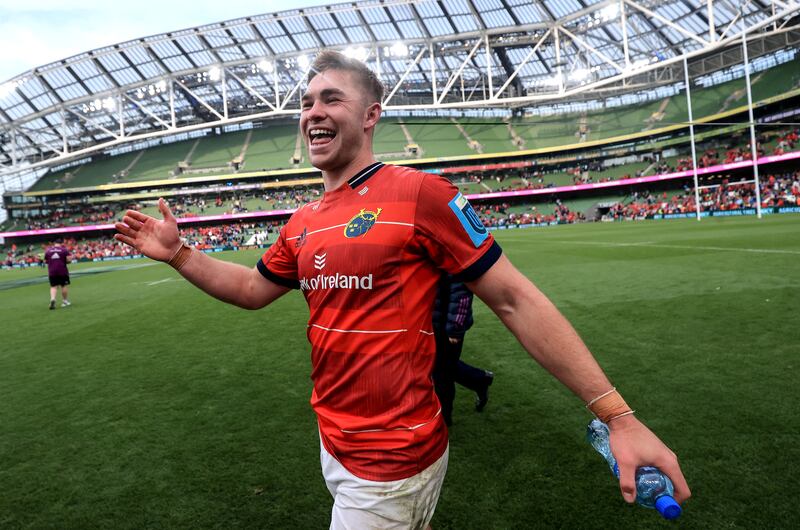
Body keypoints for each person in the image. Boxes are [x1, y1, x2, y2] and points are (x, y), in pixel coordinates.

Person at [114, 50, 690, 529]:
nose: (313, 111)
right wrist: (180, 254)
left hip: (392, 454)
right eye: (306, 102)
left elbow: (514, 299)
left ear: (371, 115)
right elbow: (250, 289)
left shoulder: (421, 195)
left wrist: (617, 415)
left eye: (331, 98)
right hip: (336, 439)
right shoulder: (304, 219)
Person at [432, 274, 494, 426]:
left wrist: (455, 327)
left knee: (442, 374)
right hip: (427, 321)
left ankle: (443, 421)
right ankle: (480, 380)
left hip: (446, 326)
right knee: (439, 366)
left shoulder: (448, 253)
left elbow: (461, 289)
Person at [44, 240, 72, 310]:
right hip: (62, 271)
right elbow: (69, 260)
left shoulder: (48, 250)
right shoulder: (64, 250)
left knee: (53, 287)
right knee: (63, 285)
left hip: (52, 271)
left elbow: (45, 261)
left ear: (54, 243)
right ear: (61, 243)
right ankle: (65, 301)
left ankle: (53, 299)